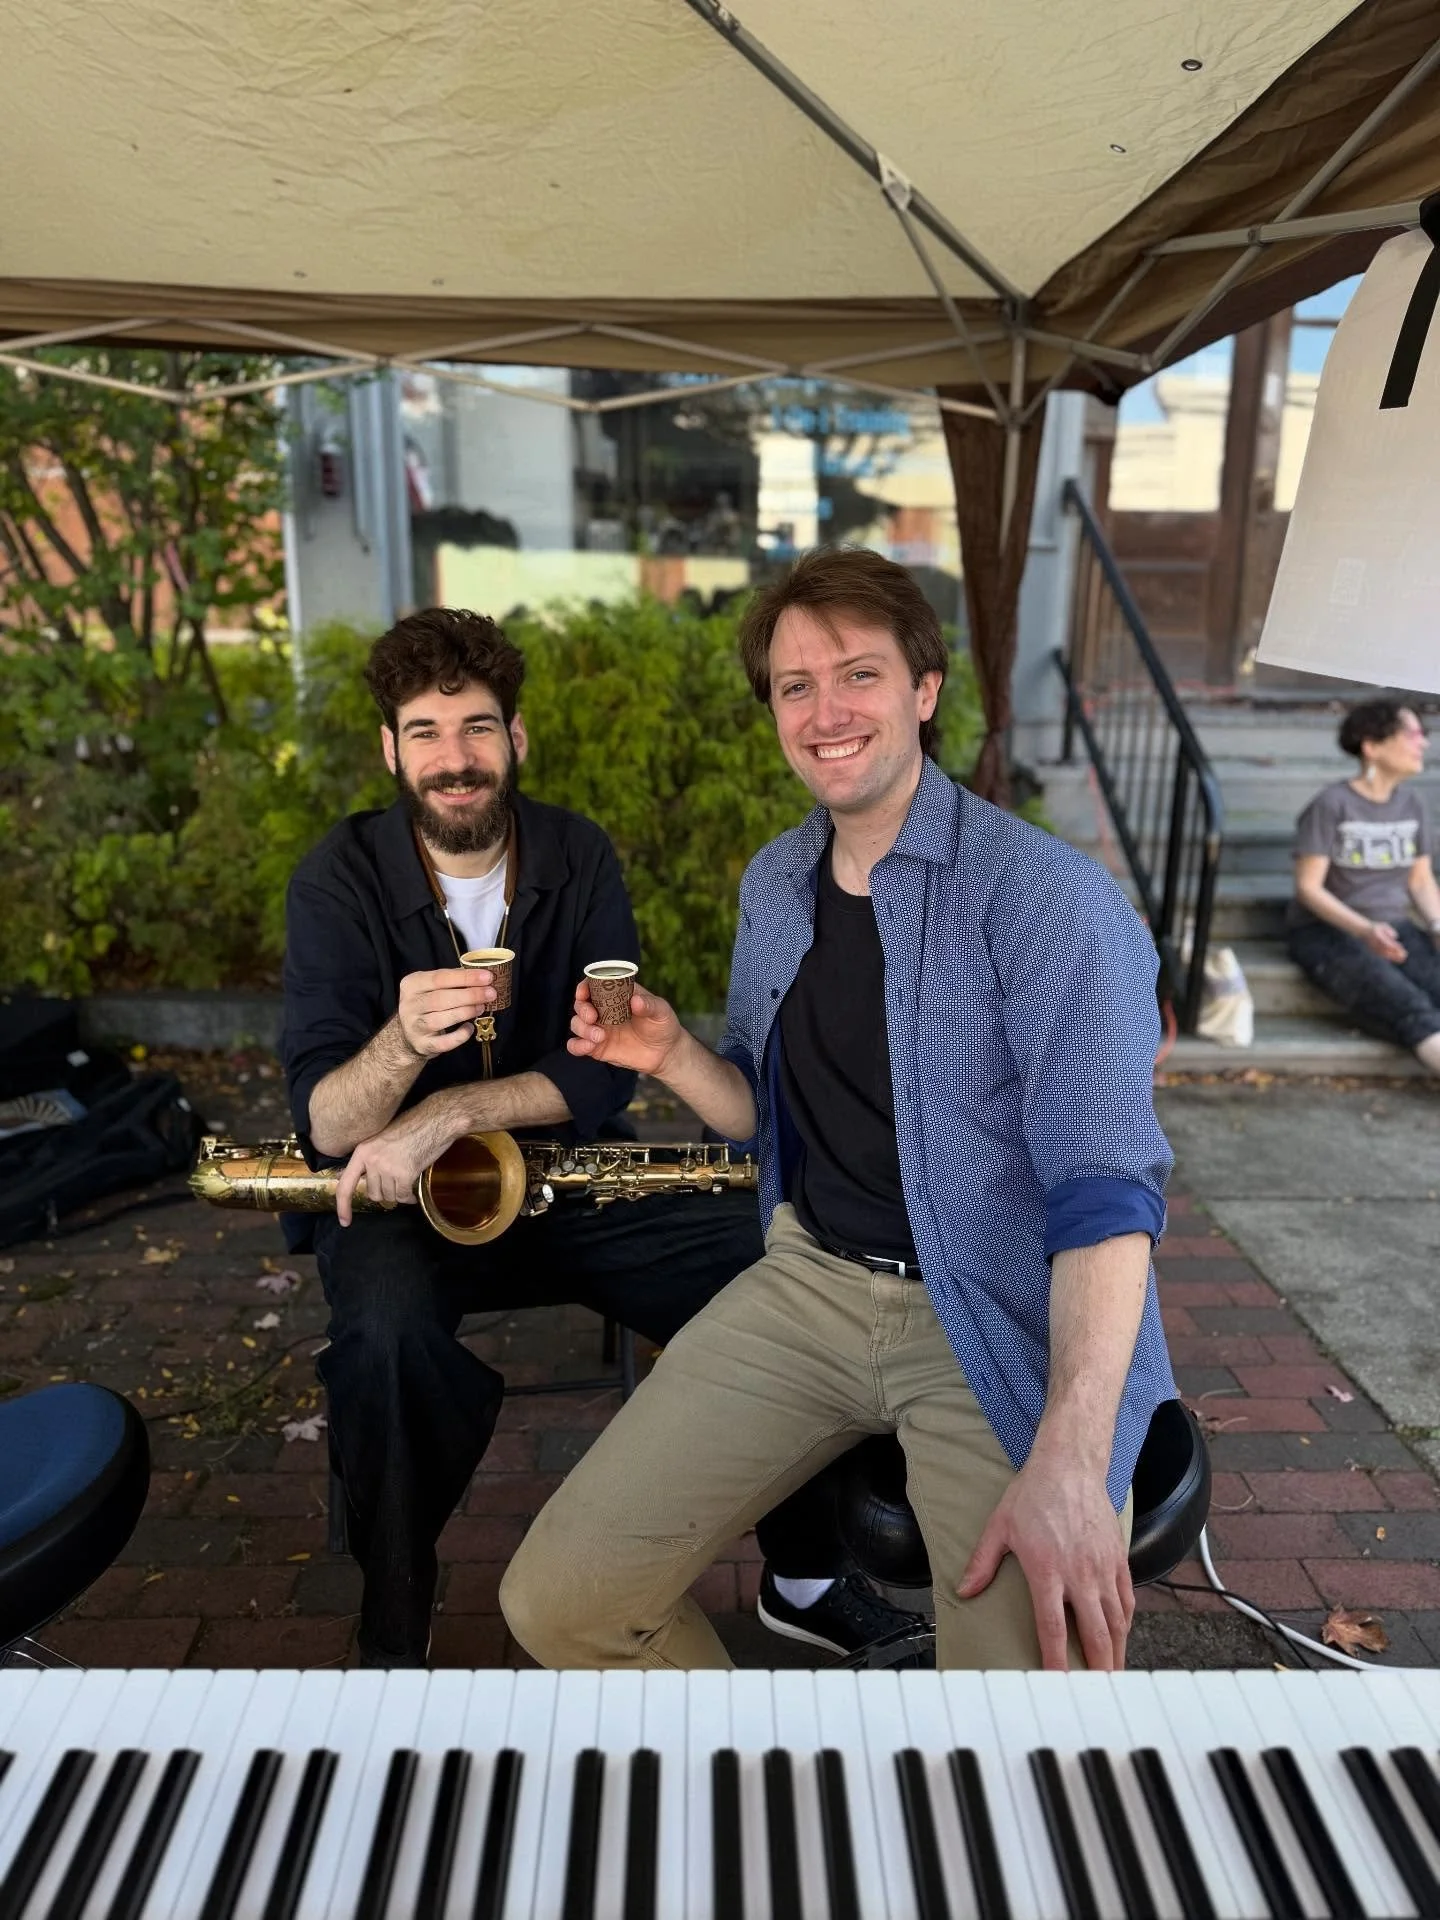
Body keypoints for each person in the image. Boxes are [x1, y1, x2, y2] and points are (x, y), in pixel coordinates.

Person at [500, 547, 1177, 1673]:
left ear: (924, 689)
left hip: (995, 1316)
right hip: (809, 1285)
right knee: (563, 1602)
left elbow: (1106, 1191)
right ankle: (774, 1799)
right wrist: (669, 1054)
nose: (825, 712)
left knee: (1029, 1709)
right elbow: (763, 1120)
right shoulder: (776, 882)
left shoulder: (1047, 901)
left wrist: (1071, 1447)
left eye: (857, 674)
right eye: (793, 686)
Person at [280, 606, 920, 1667]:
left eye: (478, 729)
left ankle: (805, 1577)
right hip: (402, 1200)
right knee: (383, 1344)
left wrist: (454, 1109)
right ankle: (397, 1604)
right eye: (428, 734)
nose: (455, 760)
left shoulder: (576, 853)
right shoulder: (336, 880)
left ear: (516, 740)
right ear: (388, 750)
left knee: (776, 1273)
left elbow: (596, 1058)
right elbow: (326, 1119)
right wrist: (401, 1044)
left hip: (570, 1175)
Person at [1288, 699, 1440, 1070]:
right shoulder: (1332, 805)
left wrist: (1437, 926)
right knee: (1412, 1008)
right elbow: (1308, 887)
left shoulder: (1412, 804)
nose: (1425, 743)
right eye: (1414, 734)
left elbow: (1420, 880)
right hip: (1327, 933)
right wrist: (1364, 929)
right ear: (1372, 746)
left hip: (1396, 928)